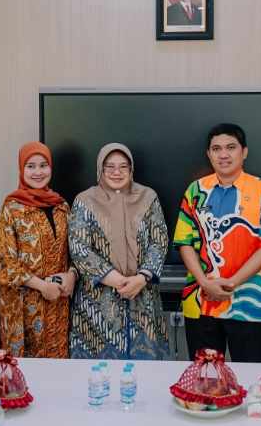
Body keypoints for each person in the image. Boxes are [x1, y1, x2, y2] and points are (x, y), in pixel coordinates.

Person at [173, 123, 261, 363]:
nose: (223, 154)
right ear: (209, 154)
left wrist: (231, 283)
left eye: (231, 147)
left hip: (247, 304)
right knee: (205, 375)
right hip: (200, 302)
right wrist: (205, 283)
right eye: (216, 149)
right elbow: (184, 243)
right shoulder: (195, 190)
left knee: (250, 373)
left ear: (244, 152)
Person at [68, 143, 169, 359]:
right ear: (100, 169)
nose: (117, 172)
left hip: (142, 295)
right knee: (99, 371)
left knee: (144, 369)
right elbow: (79, 247)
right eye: (110, 166)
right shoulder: (85, 200)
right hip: (97, 300)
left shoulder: (148, 197)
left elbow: (159, 241)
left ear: (131, 169)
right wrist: (116, 280)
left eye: (123, 166)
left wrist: (141, 278)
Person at [0, 142, 75, 358]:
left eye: (43, 165)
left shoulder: (62, 207)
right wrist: (42, 286)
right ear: (21, 169)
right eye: (30, 166)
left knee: (58, 369)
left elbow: (74, 252)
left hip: (58, 303)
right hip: (24, 309)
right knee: (27, 371)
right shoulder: (11, 208)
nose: (38, 172)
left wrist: (71, 275)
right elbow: (5, 263)